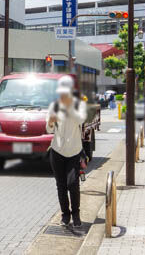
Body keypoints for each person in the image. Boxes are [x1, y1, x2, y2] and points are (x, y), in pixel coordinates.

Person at [46, 76, 87, 228]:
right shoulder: (54, 105)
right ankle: (65, 215)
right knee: (61, 185)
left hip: (74, 151)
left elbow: (81, 120)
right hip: (57, 151)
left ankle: (76, 214)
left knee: (73, 184)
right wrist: (50, 121)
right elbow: (48, 128)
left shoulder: (78, 105)